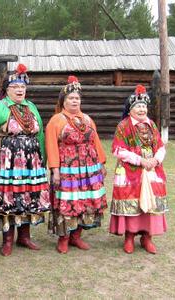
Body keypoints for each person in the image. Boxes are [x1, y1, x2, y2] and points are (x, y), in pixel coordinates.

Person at [0, 63, 50, 256]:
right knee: (10, 198)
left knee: (28, 196)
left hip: (31, 163)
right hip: (9, 163)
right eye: (15, 87)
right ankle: (8, 239)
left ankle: (25, 237)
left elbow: (40, 135)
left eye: (22, 87)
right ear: (6, 89)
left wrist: (41, 160)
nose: (20, 90)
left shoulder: (31, 107)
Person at [45, 76, 108, 254]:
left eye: (77, 98)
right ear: (63, 101)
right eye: (71, 98)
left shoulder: (87, 119)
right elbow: (51, 145)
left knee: (85, 199)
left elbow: (95, 141)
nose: (74, 101)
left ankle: (76, 236)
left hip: (89, 168)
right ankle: (64, 238)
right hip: (68, 168)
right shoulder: (56, 120)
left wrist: (101, 163)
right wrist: (55, 170)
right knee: (68, 201)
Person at [109, 84, 168, 254]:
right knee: (131, 201)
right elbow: (117, 149)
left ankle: (147, 237)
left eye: (144, 107)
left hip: (152, 169)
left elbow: (160, 146)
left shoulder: (152, 126)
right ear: (130, 110)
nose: (142, 110)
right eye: (138, 107)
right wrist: (140, 160)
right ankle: (129, 236)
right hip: (130, 171)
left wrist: (156, 159)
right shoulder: (124, 126)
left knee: (151, 202)